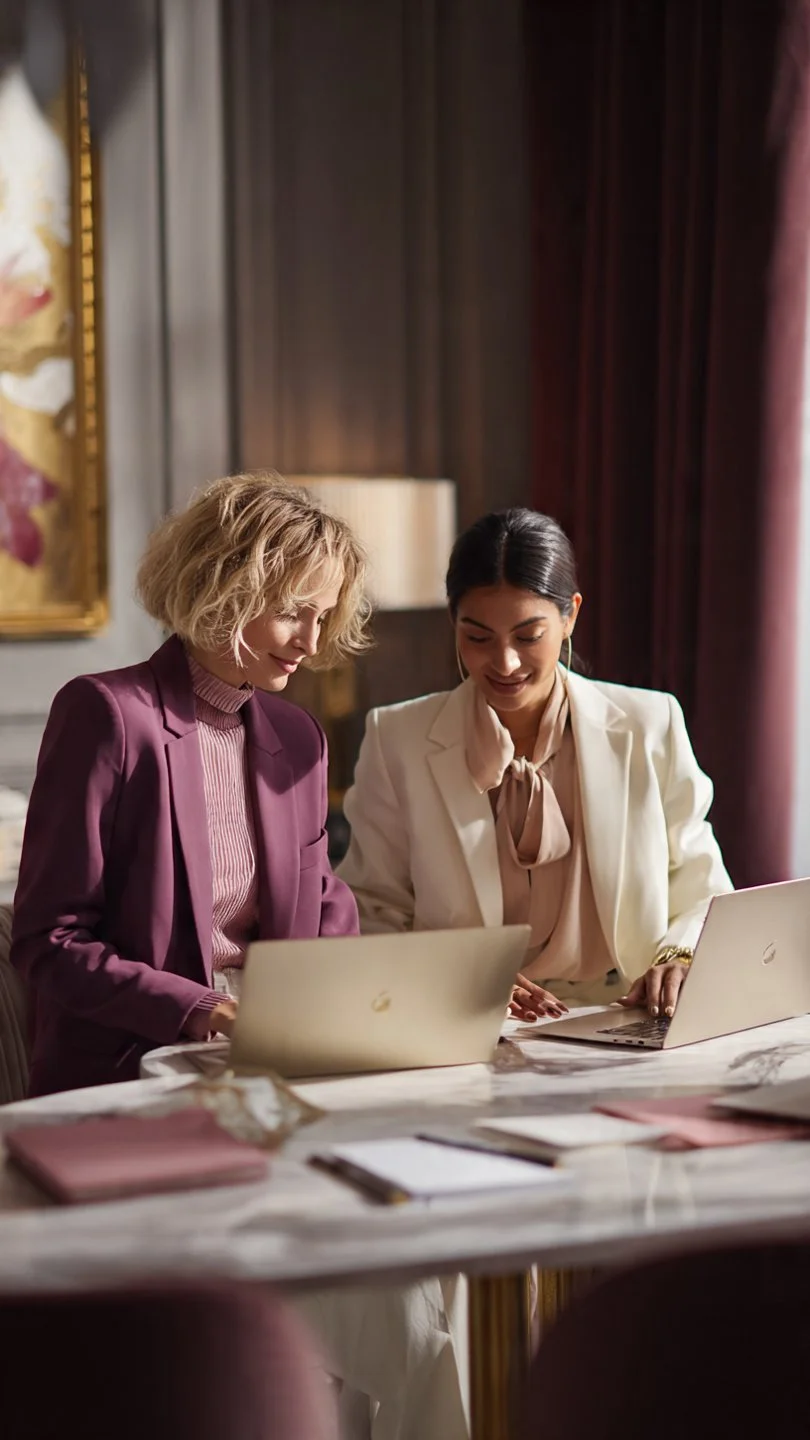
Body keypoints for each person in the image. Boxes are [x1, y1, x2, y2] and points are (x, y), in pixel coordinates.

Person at [11, 473, 368, 1096]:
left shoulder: (299, 737)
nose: (311, 643)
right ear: (224, 587)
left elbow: (324, 911)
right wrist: (204, 1009)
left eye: (323, 616)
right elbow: (50, 941)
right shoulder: (107, 714)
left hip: (281, 1058)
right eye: (292, 612)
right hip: (132, 1068)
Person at [339, 505, 733, 1020]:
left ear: (570, 616)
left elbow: (701, 881)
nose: (504, 662)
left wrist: (679, 956)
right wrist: (456, 977)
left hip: (627, 1013)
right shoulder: (397, 739)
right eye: (478, 637)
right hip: (467, 1018)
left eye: (528, 636)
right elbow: (371, 907)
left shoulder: (649, 724)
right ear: (453, 621)